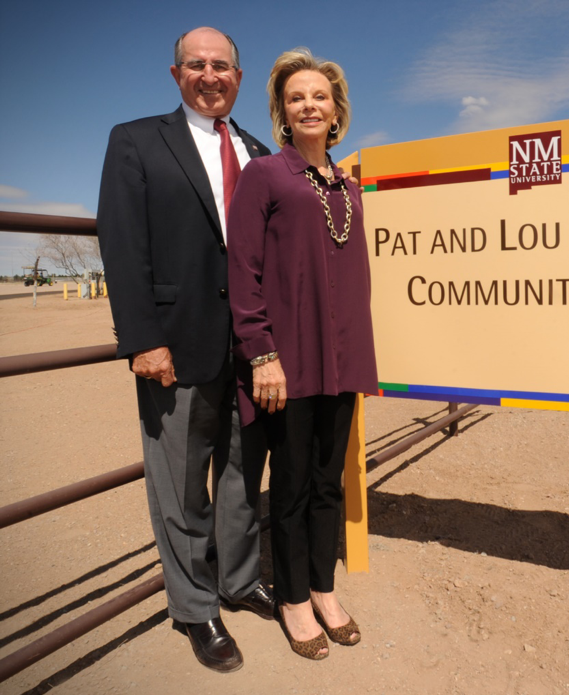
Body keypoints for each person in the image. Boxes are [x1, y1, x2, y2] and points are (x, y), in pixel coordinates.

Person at [96, 27, 275, 673]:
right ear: (176, 74)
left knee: (238, 475)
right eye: (196, 64)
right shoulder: (136, 140)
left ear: (238, 75)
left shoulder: (259, 151)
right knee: (180, 487)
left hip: (251, 347)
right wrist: (142, 338)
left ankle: (240, 578)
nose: (209, 74)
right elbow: (121, 243)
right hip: (176, 343)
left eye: (221, 65)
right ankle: (197, 607)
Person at [228, 47, 378, 660]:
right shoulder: (265, 175)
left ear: (336, 110)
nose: (309, 105)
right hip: (286, 364)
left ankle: (323, 587)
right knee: (288, 487)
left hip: (341, 359)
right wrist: (262, 352)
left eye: (320, 96)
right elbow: (243, 270)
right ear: (283, 114)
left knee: (327, 485)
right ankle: (291, 598)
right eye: (297, 98)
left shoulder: (345, 184)